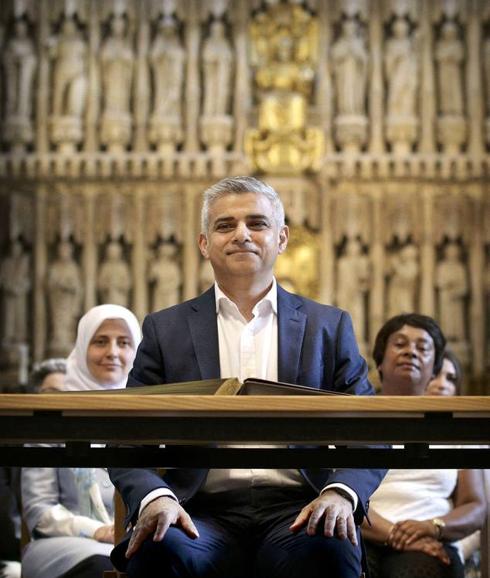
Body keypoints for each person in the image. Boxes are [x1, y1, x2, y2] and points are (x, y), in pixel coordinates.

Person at [109, 176, 386, 578]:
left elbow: (372, 427)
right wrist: (154, 497)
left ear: (282, 238)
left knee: (330, 544)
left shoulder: (327, 325)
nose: (242, 234)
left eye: (257, 224)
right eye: (225, 225)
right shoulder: (164, 330)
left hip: (299, 508)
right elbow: (125, 436)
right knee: (158, 546)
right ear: (204, 244)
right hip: (196, 511)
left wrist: (342, 494)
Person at [21, 304, 142, 578]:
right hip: (66, 543)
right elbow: (39, 510)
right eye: (100, 342)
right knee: (107, 566)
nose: (113, 352)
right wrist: (96, 530)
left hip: (136, 541)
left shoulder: (151, 416)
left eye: (123, 343)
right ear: (82, 345)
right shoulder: (51, 418)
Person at [362, 313, 486, 578]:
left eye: (422, 348)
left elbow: (474, 506)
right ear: (380, 360)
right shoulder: (355, 419)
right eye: (400, 344)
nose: (411, 353)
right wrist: (394, 533)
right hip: (362, 535)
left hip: (433, 541)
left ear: (434, 367)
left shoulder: (457, 426)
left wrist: (432, 527)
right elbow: (339, 492)